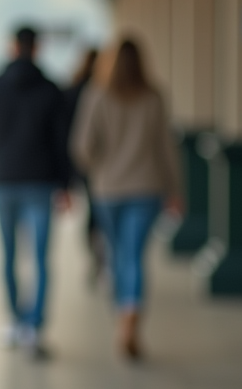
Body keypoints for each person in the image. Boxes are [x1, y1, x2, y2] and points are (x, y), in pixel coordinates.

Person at [70, 38, 181, 360]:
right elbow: (166, 148)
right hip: (147, 188)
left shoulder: (96, 94)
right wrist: (175, 189)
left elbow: (82, 147)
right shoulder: (154, 97)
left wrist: (98, 168)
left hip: (108, 190)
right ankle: (130, 317)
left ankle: (123, 311)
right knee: (135, 255)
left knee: (118, 253)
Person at [0, 26, 69, 357]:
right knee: (41, 258)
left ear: (13, 47)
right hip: (42, 182)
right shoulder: (52, 89)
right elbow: (62, 142)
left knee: (9, 255)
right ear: (37, 48)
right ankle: (34, 326)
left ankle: (14, 320)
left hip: (6, 180)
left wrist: (0, 157)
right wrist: (66, 183)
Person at [62, 48, 105, 285]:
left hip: (84, 163)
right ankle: (104, 258)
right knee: (101, 212)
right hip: (103, 165)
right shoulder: (105, 92)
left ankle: (95, 256)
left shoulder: (72, 91)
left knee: (93, 212)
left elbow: (64, 130)